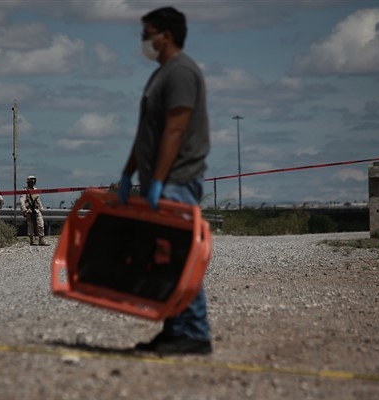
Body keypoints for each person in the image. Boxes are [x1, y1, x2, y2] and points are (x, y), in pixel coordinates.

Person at [118, 6, 212, 355]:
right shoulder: (161, 74)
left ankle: (195, 333)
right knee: (164, 258)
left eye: (148, 33)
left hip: (175, 179)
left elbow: (175, 129)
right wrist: (129, 171)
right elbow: (147, 132)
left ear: (166, 36)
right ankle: (174, 329)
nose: (144, 40)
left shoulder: (181, 73)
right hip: (159, 178)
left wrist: (158, 181)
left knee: (179, 258)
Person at [20, 175, 48, 246]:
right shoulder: (24, 191)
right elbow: (22, 201)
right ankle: (31, 240)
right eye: (31, 181)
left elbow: (38, 200)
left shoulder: (36, 190)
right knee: (30, 226)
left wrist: (41, 208)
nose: (32, 182)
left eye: (33, 181)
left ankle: (41, 240)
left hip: (36, 209)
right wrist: (24, 210)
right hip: (29, 210)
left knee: (40, 224)